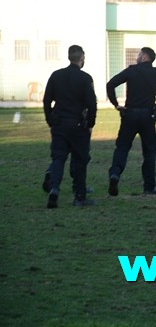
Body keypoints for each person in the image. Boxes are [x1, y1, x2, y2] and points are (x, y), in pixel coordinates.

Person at [43, 45, 97, 208]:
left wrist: (50, 119)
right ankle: (79, 196)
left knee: (58, 158)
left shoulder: (56, 75)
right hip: (78, 125)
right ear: (82, 58)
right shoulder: (85, 78)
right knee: (80, 160)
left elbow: (46, 100)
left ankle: (54, 189)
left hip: (59, 123)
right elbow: (91, 104)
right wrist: (90, 123)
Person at [106, 47, 156, 196]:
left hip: (130, 114)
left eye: (139, 54)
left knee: (122, 148)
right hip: (148, 116)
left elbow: (110, 84)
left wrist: (116, 104)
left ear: (145, 56)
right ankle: (149, 187)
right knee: (149, 151)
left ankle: (115, 173)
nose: (137, 57)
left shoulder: (131, 71)